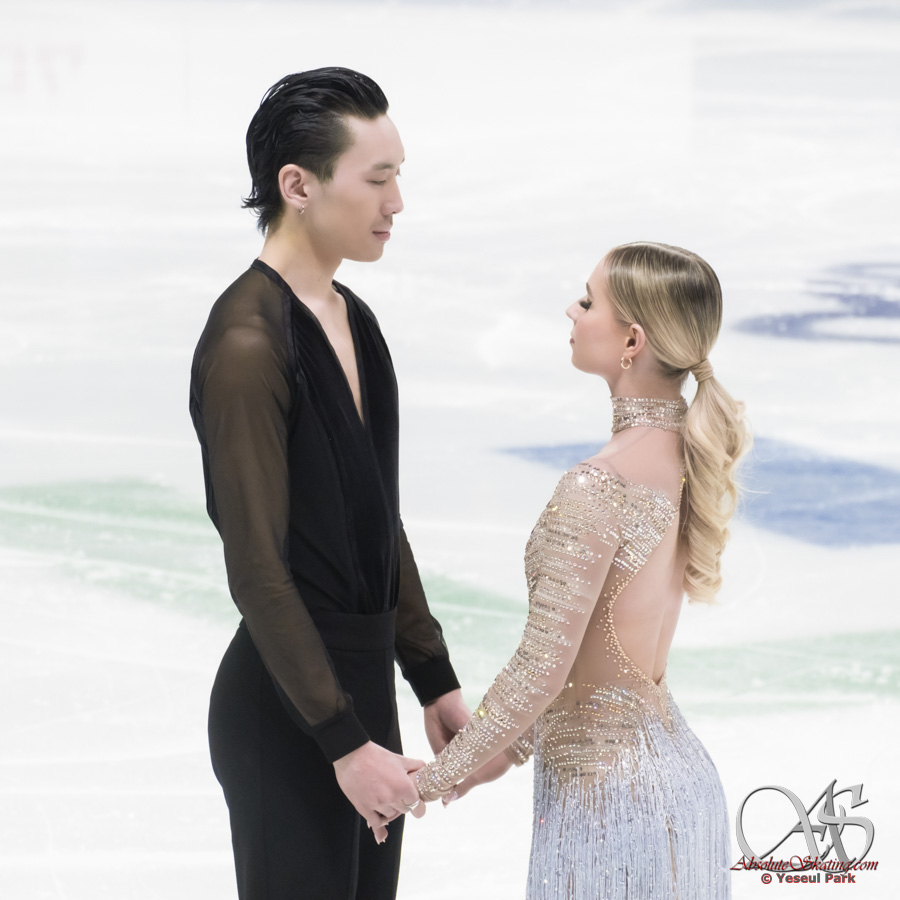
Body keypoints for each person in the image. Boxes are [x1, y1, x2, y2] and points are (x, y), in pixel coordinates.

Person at [189, 67, 470, 900]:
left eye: (398, 176)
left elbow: (378, 520)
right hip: (290, 715)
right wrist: (341, 741)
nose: (396, 202)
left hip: (360, 701)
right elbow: (258, 571)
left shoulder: (355, 319)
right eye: (377, 179)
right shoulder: (247, 342)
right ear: (298, 185)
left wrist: (432, 676)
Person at [416, 242, 749, 898]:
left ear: (632, 341)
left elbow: (543, 665)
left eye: (589, 301)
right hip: (675, 791)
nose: (572, 310)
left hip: (609, 811)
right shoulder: (684, 455)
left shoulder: (598, 484)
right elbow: (591, 661)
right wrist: (504, 752)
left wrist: (427, 781)